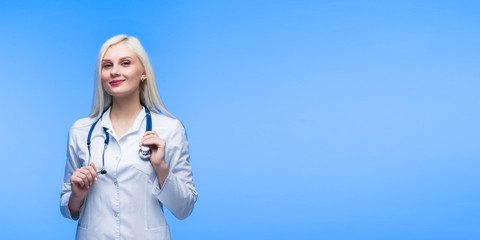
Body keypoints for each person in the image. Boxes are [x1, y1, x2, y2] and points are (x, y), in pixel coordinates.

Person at [60, 35, 197, 240]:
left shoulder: (169, 129)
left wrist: (161, 168)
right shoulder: (81, 131)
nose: (115, 71)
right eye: (107, 65)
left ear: (143, 73)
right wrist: (77, 195)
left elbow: (184, 208)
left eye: (125, 63)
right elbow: (67, 206)